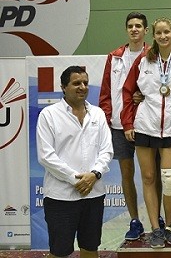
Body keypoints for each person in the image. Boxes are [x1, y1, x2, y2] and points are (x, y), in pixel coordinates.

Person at [121, 17, 171, 248]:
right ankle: (155, 229)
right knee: (148, 178)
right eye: (159, 33)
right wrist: (128, 123)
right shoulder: (143, 60)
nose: (163, 36)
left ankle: (169, 226)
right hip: (145, 127)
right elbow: (128, 91)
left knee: (169, 180)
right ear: (154, 36)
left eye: (167, 32)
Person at [37, 66, 113, 258]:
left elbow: (106, 150)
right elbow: (46, 155)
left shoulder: (98, 114)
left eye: (85, 83)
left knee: (90, 247)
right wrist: (76, 179)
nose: (82, 87)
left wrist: (94, 175)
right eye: (76, 83)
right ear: (63, 87)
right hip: (60, 197)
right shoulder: (49, 114)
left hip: (93, 195)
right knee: (60, 251)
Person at [99, 12, 151, 241]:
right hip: (120, 126)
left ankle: (157, 218)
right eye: (130, 26)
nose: (134, 29)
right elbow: (106, 92)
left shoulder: (153, 55)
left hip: (147, 125)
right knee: (126, 173)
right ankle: (135, 220)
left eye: (139, 25)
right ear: (126, 29)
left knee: (153, 175)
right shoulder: (115, 57)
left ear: (146, 30)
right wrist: (109, 119)